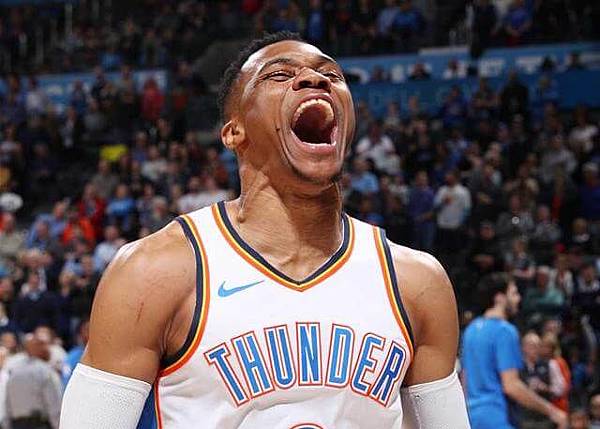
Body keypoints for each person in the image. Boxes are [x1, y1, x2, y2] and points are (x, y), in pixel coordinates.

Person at [61, 32, 470, 428]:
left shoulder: (417, 281)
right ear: (233, 131)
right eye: (279, 75)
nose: (315, 80)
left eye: (331, 75)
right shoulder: (155, 271)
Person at [461, 273, 567, 429]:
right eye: (514, 293)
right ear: (499, 298)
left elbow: (464, 380)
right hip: (498, 418)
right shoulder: (505, 331)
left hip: (471, 418)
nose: (518, 299)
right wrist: (552, 411)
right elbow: (511, 386)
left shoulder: (470, 330)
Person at [4, 333, 62, 429]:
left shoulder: (14, 373)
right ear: (36, 348)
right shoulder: (46, 371)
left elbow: (7, 409)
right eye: (43, 345)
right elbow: (55, 408)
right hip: (40, 424)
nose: (48, 349)